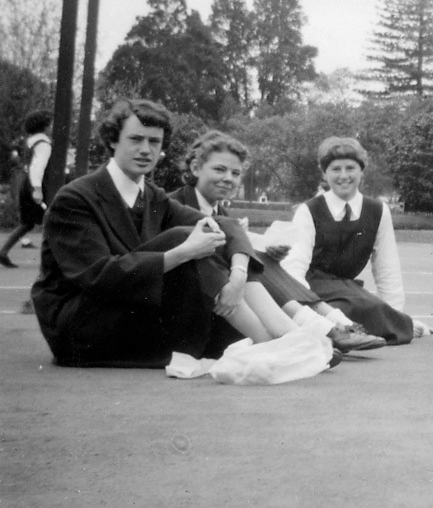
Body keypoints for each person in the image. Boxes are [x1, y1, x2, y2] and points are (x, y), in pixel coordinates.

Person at [31, 99, 323, 368]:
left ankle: (288, 335)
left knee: (210, 237)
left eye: (154, 142)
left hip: (133, 313)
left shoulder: (152, 197)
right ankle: (272, 344)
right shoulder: (75, 199)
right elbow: (100, 277)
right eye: (135, 139)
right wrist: (182, 253)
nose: (146, 149)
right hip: (81, 328)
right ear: (112, 141)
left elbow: (228, 226)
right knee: (184, 237)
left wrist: (237, 276)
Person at [170, 130, 385, 353]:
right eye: (219, 169)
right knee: (253, 259)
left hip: (225, 302)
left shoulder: (220, 210)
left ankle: (331, 324)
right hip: (195, 307)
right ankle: (317, 330)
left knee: (265, 257)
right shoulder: (175, 206)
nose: (228, 178)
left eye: (235, 173)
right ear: (195, 169)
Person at [282, 137, 420, 345]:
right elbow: (294, 267)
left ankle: (346, 331)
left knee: (370, 308)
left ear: (361, 171)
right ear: (324, 173)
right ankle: (335, 331)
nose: (343, 176)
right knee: (361, 308)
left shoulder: (377, 210)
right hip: (312, 288)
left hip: (348, 290)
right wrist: (305, 304)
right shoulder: (309, 210)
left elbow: (386, 267)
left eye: (350, 168)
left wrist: (394, 315)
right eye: (335, 169)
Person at [1, 110, 52, 268]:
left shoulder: (30, 141)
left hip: (26, 183)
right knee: (51, 219)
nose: (52, 127)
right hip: (35, 184)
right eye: (50, 124)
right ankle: (53, 259)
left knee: (28, 223)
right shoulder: (43, 144)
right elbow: (38, 166)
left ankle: (3, 251)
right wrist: (37, 189)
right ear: (44, 126)